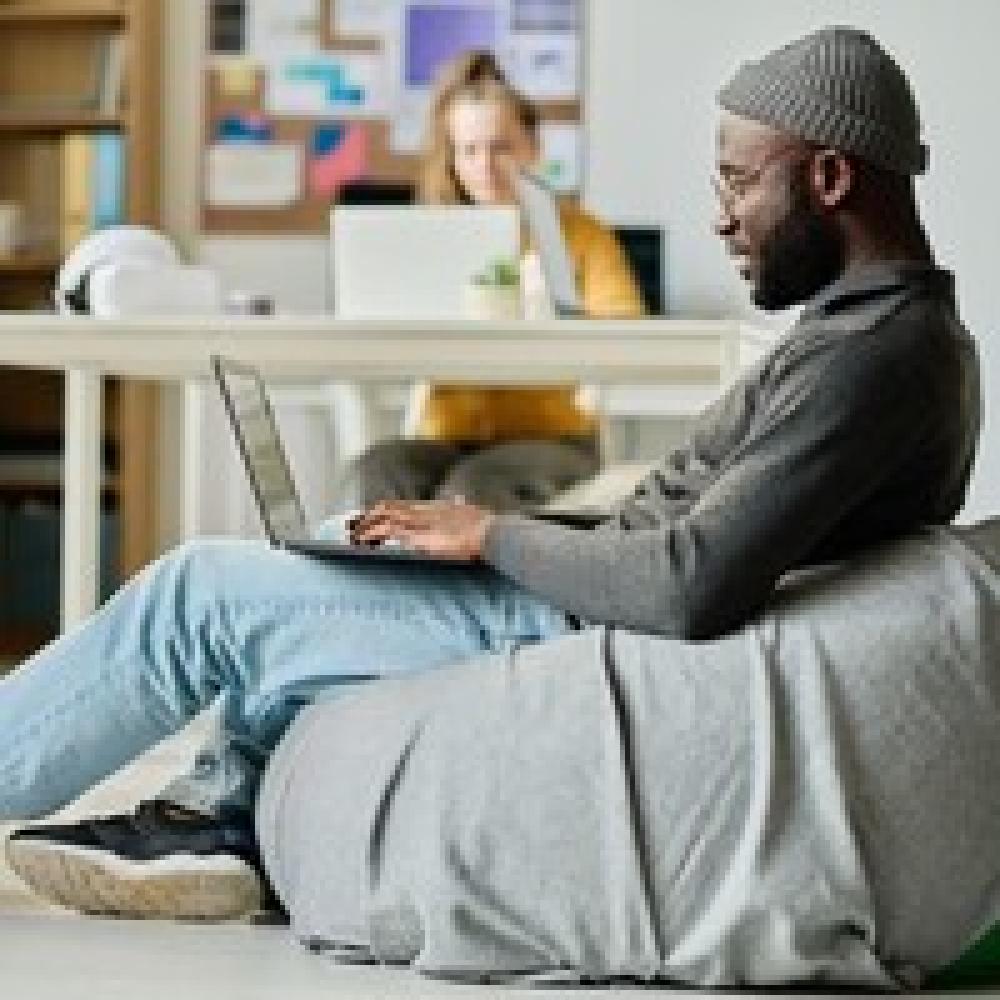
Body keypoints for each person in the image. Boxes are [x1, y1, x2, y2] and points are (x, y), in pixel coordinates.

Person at [2, 26, 980, 923]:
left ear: (829, 177)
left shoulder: (876, 358)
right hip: (571, 589)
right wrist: (500, 537)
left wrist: (492, 537)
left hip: (566, 626)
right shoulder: (877, 334)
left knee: (199, 595)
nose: (720, 218)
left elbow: (689, 582)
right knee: (352, 529)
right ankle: (216, 820)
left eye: (735, 181)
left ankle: (206, 813)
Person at [335, 50, 644, 513]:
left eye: (501, 146)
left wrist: (556, 313)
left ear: (532, 148)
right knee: (374, 472)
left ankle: (459, 588)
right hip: (446, 436)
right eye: (469, 150)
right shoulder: (431, 237)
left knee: (471, 488)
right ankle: (382, 586)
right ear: (454, 159)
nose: (485, 164)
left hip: (553, 439)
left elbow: (626, 326)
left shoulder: (576, 234)